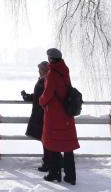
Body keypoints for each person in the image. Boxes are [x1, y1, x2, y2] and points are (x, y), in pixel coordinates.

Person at [39, 48, 79, 185]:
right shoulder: (65, 71)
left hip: (54, 115)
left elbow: (48, 94)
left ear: (50, 59)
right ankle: (70, 176)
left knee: (52, 145)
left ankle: (54, 173)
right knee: (68, 147)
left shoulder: (52, 74)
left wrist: (40, 101)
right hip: (66, 115)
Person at [21, 61, 49, 171]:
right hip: (40, 113)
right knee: (45, 139)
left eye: (40, 69)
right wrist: (28, 97)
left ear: (45, 70)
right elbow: (38, 96)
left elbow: (44, 97)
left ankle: (49, 162)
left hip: (43, 114)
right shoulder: (43, 80)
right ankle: (50, 161)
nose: (38, 71)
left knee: (46, 139)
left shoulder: (46, 80)